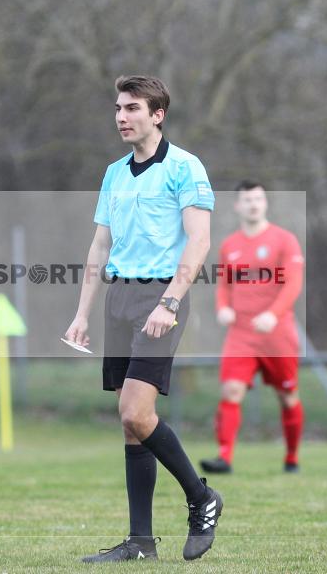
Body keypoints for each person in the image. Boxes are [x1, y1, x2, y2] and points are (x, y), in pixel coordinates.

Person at [64, 75, 222, 562]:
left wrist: (170, 303)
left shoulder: (184, 167)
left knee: (135, 411)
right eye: (117, 108)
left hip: (161, 298)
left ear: (158, 115)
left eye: (132, 108)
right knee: (130, 425)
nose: (121, 117)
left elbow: (199, 243)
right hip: (120, 299)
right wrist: (82, 313)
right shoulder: (113, 173)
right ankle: (140, 543)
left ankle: (202, 498)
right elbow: (99, 245)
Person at [199, 181, 305, 474]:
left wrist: (273, 314)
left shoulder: (285, 240)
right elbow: (224, 284)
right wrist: (223, 308)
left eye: (258, 198)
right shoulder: (230, 245)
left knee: (287, 396)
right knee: (231, 391)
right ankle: (224, 457)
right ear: (237, 205)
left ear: (265, 202)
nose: (254, 204)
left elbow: (293, 283)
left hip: (277, 334)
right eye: (247, 200)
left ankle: (292, 457)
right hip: (241, 334)